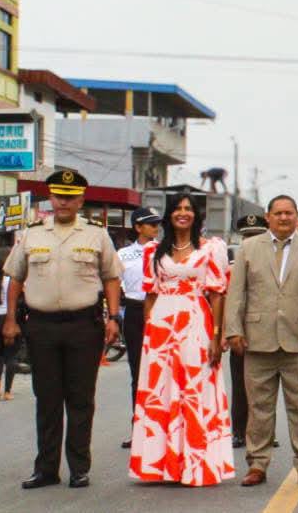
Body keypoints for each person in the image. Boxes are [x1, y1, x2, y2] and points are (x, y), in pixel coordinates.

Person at [1, 170, 123, 490]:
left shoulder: (97, 234)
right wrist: (11, 318)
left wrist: (113, 317)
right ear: (50, 199)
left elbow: (111, 277)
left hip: (84, 325)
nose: (64, 202)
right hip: (42, 326)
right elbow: (15, 278)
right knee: (47, 398)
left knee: (81, 398)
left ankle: (79, 467)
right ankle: (46, 469)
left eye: (70, 197)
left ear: (81, 200)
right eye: (58, 196)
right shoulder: (32, 235)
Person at [128, 193, 235, 486]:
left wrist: (217, 335)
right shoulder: (153, 250)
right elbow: (150, 295)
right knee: (161, 392)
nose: (183, 213)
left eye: (188, 208)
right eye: (177, 208)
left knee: (195, 389)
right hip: (161, 327)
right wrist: (149, 333)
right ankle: (161, 465)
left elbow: (217, 294)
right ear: (169, 214)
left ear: (196, 215)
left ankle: (197, 465)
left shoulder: (210, 248)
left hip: (196, 321)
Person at [225, 195, 298, 487]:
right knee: (259, 408)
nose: (284, 218)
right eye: (278, 213)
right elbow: (236, 293)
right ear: (268, 217)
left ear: (297, 216)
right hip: (257, 340)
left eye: (289, 213)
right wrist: (233, 330)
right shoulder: (248, 249)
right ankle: (257, 464)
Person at [117, 206, 162, 448]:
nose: (156, 228)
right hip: (135, 311)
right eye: (151, 224)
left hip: (162, 311)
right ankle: (139, 428)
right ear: (137, 227)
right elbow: (115, 283)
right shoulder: (123, 254)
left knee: (161, 371)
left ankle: (161, 429)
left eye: (157, 224)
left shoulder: (166, 251)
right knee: (138, 372)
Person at [228, 213, 268, 449]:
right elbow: (226, 301)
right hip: (241, 332)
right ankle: (239, 431)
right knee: (240, 385)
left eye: (256, 235)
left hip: (268, 332)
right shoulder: (231, 266)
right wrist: (228, 332)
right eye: (247, 236)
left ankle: (265, 432)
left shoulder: (274, 263)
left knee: (266, 388)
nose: (251, 240)